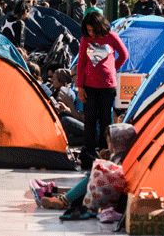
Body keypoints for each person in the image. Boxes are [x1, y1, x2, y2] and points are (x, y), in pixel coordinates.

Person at [34, 123, 137, 211]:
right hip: (104, 193)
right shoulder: (126, 155)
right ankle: (53, 192)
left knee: (90, 177)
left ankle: (60, 199)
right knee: (89, 180)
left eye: (110, 141)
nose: (108, 144)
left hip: (103, 197)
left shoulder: (121, 158)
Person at [77, 11, 129, 167]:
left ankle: (104, 152)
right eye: (89, 30)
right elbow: (81, 63)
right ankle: (88, 153)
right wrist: (80, 86)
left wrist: (113, 69)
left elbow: (124, 55)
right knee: (90, 120)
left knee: (105, 120)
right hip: (89, 86)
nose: (91, 33)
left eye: (93, 29)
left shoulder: (111, 37)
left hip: (108, 86)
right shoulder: (85, 39)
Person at [49, 68, 84, 147]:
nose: (71, 79)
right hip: (85, 129)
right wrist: (66, 109)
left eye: (73, 76)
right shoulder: (78, 91)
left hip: (93, 131)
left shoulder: (83, 93)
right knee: (62, 117)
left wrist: (69, 103)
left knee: (65, 120)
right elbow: (77, 113)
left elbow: (84, 119)